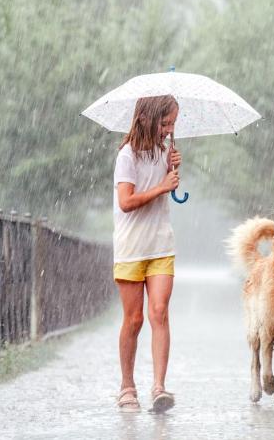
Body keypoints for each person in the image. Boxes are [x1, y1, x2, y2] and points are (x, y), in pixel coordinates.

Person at [112, 95, 181, 413]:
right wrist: (162, 186)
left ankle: (159, 387)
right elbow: (126, 202)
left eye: (173, 124)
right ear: (147, 118)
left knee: (159, 312)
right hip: (131, 249)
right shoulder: (126, 156)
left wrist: (170, 171)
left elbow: (166, 189)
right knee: (134, 319)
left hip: (160, 246)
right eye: (165, 123)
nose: (169, 130)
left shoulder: (166, 151)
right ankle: (127, 386)